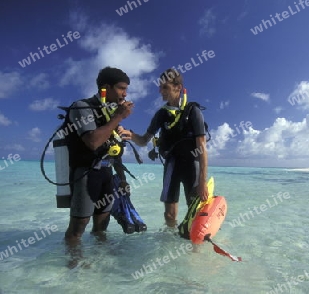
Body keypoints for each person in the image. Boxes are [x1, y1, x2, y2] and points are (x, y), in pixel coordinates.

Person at [119, 68, 208, 228]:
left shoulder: (193, 112)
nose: (160, 91)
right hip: (172, 166)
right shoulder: (161, 114)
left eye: (165, 87)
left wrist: (202, 181)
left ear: (178, 88)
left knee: (193, 211)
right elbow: (144, 140)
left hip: (191, 165)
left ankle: (195, 249)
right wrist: (131, 135)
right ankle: (170, 246)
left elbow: (202, 148)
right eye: (160, 87)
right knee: (169, 214)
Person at [64, 67, 134, 258]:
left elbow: (115, 150)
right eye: (121, 88)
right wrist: (119, 116)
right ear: (105, 87)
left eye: (126, 89)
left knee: (101, 227)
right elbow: (93, 141)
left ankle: (101, 267)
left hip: (106, 175)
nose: (125, 93)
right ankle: (73, 269)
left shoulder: (109, 113)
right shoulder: (82, 107)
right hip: (86, 174)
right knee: (78, 229)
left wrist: (121, 179)